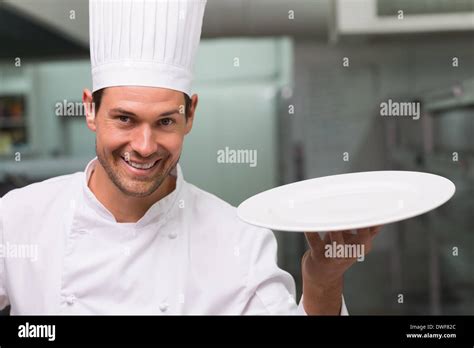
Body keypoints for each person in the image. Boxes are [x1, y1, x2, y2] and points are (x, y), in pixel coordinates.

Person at [0, 0, 380, 315]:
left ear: (191, 115)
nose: (145, 145)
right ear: (89, 110)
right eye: (125, 119)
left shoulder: (238, 239)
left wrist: (322, 281)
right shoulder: (19, 219)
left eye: (165, 121)